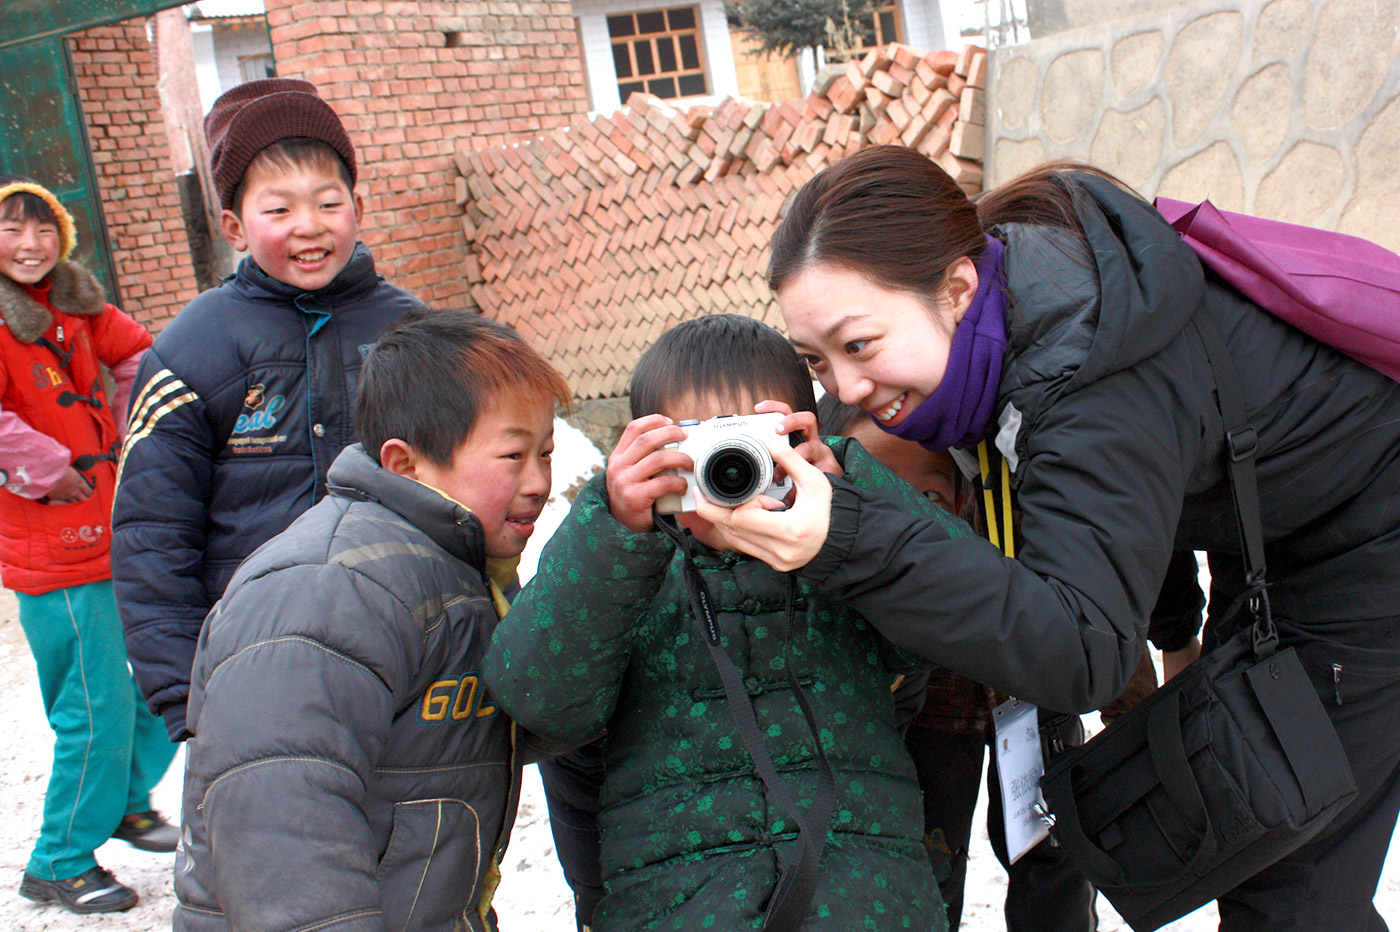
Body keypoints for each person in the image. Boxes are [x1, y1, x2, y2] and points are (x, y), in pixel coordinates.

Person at [699, 145, 1400, 931]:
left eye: (858, 345)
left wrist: (851, 534)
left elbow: (1085, 653)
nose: (848, 389)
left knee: (1290, 884)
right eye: (815, 361)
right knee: (1271, 851)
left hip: (1370, 529)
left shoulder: (1079, 367)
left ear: (957, 288)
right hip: (1279, 527)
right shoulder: (1017, 307)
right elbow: (1126, 500)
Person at [483, 313, 968, 932]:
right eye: (699, 444)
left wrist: (849, 499)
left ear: (798, 438)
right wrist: (613, 527)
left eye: (749, 440)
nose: (727, 468)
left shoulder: (843, 550)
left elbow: (956, 615)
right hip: (680, 901)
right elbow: (540, 701)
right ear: (648, 450)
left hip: (863, 896)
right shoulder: (628, 570)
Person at [173, 310, 570, 931]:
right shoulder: (329, 589)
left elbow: (533, 721)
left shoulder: (461, 566)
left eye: (547, 453)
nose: (540, 482)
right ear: (405, 464)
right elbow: (282, 831)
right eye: (514, 455)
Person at [111, 77, 424, 742]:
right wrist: (180, 689)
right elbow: (152, 532)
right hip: (253, 661)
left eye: (328, 203)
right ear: (234, 226)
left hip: (404, 644)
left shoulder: (415, 334)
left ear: (358, 208)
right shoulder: (193, 350)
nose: (308, 226)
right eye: (278, 210)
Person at [0, 175, 178, 914]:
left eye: (42, 229)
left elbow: (141, 359)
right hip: (52, 546)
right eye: (10, 229)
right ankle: (60, 859)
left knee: (161, 680)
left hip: (107, 530)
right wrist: (50, 470)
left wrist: (147, 427)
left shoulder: (74, 305)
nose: (29, 243)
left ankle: (128, 801)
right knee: (93, 708)